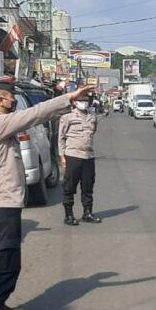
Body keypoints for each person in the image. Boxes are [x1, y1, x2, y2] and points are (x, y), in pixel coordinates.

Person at [0, 79, 95, 310]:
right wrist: (69, 98)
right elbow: (35, 114)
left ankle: (0, 304)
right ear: (1, 99)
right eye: (11, 97)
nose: (14, 101)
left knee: (5, 256)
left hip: (2, 202)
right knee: (2, 258)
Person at [58, 96, 101, 227]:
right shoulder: (67, 117)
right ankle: (69, 215)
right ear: (74, 102)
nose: (84, 103)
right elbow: (61, 137)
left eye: (86, 101)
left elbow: (93, 131)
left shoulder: (92, 116)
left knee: (88, 186)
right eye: (81, 101)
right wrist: (62, 156)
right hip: (73, 155)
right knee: (69, 187)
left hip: (88, 156)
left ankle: (87, 213)